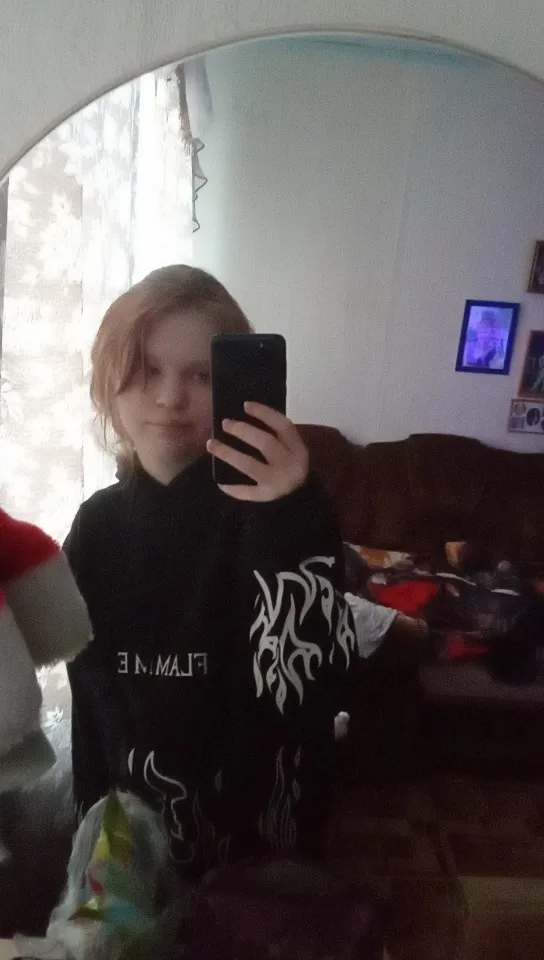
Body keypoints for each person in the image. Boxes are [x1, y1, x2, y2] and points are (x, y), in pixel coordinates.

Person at [65, 264, 357, 883]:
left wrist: (290, 519)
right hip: (124, 839)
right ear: (108, 379)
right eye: (148, 369)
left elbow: (310, 683)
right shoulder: (95, 527)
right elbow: (85, 692)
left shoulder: (288, 512)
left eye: (201, 375)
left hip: (257, 845)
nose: (171, 398)